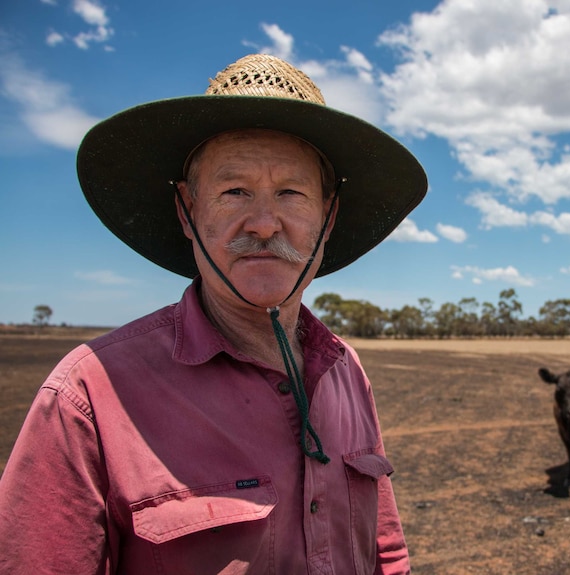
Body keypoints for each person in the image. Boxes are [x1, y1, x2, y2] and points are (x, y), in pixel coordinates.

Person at [0, 54, 427, 574]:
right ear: (187, 210)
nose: (265, 224)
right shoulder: (87, 396)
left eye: (291, 193)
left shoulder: (346, 371)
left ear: (328, 216)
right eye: (234, 191)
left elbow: (387, 555)